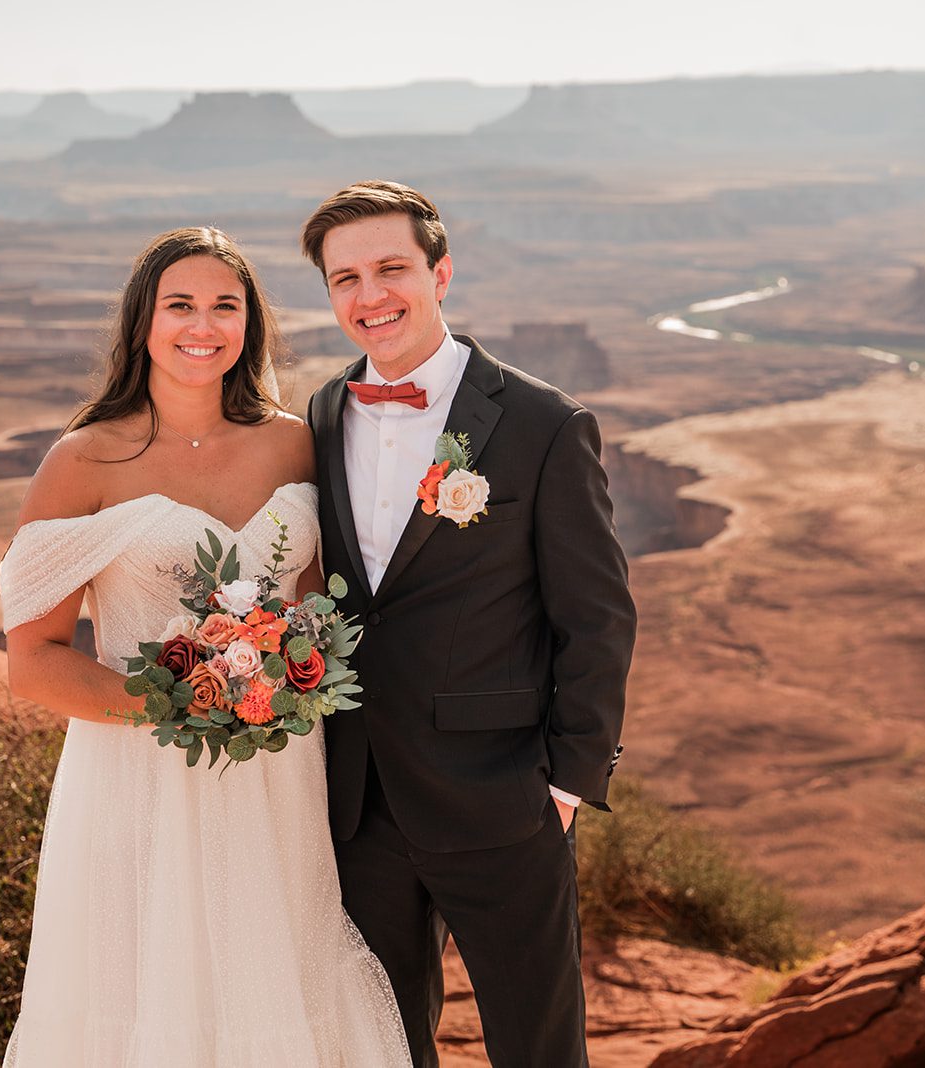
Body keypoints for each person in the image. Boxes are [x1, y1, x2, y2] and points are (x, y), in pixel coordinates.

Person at [0, 226, 410, 1067]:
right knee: (149, 994)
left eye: (226, 306)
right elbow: (33, 660)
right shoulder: (85, 460)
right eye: (180, 304)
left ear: (249, 326)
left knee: (278, 980)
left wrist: (291, 676)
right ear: (142, 321)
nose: (203, 325)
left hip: (279, 778)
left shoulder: (295, 442)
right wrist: (181, 702)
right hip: (139, 781)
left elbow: (315, 610)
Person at [301, 181, 636, 1067]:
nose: (370, 297)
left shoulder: (544, 424)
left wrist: (566, 786)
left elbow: (596, 618)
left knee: (537, 1043)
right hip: (360, 801)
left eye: (390, 269)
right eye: (345, 280)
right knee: (383, 1040)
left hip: (504, 800)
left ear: (440, 273)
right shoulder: (324, 411)